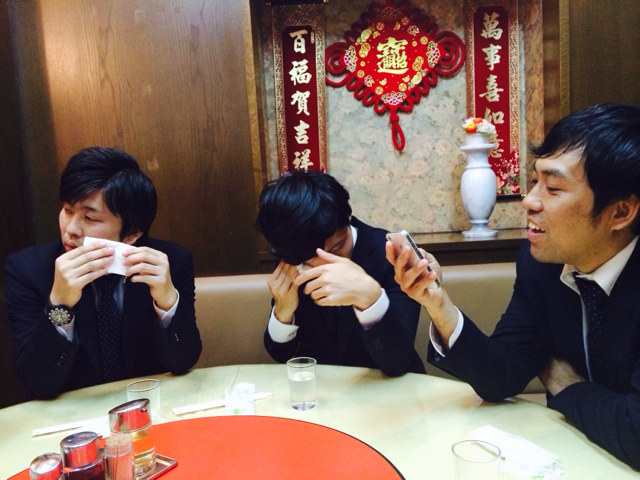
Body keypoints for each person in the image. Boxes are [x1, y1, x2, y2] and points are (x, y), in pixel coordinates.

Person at [387, 103, 640, 468]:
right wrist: (438, 305)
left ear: (620, 213)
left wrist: (568, 387)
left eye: (553, 188)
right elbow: (502, 375)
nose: (529, 201)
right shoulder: (542, 266)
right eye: (535, 181)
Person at [4, 147, 202, 399]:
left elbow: (183, 362)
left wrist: (167, 302)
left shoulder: (170, 262)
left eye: (89, 218)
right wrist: (60, 304)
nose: (71, 229)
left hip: (151, 403)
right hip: (74, 413)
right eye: (67, 210)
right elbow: (37, 383)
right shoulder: (28, 270)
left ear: (132, 234)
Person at [256, 170, 424, 376]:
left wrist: (369, 299)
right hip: (320, 388)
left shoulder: (392, 256)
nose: (325, 261)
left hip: (391, 387)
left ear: (348, 218)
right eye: (311, 257)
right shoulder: (293, 257)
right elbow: (280, 355)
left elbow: (398, 362)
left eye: (337, 247)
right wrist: (283, 313)